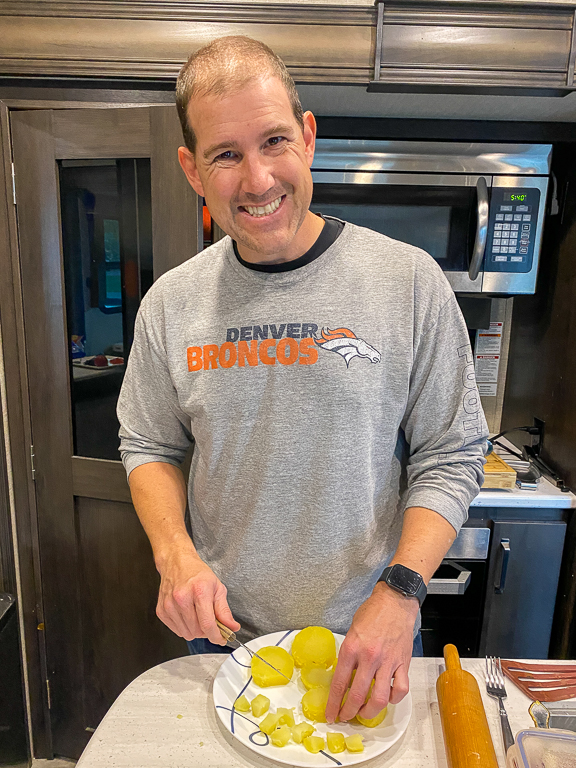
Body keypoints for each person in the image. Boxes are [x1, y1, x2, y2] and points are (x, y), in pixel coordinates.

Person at [117, 35, 488, 725]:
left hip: (370, 636)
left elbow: (453, 453)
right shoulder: (170, 305)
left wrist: (402, 590)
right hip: (224, 640)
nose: (258, 180)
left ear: (308, 137)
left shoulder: (408, 282)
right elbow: (148, 444)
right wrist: (174, 554)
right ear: (192, 170)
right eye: (225, 155)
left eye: (274, 141)